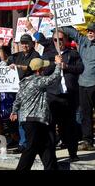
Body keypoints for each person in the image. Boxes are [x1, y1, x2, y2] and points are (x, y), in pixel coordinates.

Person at [29, 23, 84, 161]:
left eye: (61, 39)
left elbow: (80, 68)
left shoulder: (73, 53)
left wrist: (66, 66)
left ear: (65, 40)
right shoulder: (47, 55)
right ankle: (51, 156)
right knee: (51, 128)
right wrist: (55, 64)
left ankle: (73, 154)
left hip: (69, 96)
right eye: (55, 40)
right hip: (53, 96)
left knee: (70, 127)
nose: (58, 42)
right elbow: (42, 72)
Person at [57, 22, 95, 153]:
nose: (90, 33)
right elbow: (72, 32)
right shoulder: (83, 40)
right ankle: (87, 140)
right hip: (82, 83)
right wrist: (58, 21)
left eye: (92, 31)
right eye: (88, 31)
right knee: (85, 114)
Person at [10, 55, 63, 170]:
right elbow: (54, 77)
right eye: (43, 68)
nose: (44, 70)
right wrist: (58, 64)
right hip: (34, 120)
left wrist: (14, 112)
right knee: (31, 147)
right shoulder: (37, 81)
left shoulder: (24, 82)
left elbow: (18, 99)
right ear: (39, 70)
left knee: (45, 146)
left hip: (31, 120)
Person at [5, 34, 41, 153]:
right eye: (22, 43)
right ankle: (23, 144)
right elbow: (5, 60)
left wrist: (19, 66)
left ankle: (29, 143)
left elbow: (32, 68)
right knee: (20, 118)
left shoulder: (35, 55)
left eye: (26, 43)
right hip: (19, 89)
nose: (24, 45)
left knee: (28, 119)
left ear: (32, 43)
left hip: (31, 91)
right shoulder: (18, 55)